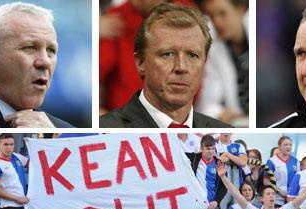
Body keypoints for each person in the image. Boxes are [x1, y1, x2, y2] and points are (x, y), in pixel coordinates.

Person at [99, 3, 231, 128]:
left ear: (204, 63)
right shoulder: (104, 130)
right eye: (168, 54)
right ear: (140, 62)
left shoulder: (224, 130)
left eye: (192, 55)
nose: (181, 67)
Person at [196, 0, 249, 125]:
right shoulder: (213, 45)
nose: (217, 22)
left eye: (222, 13)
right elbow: (207, 103)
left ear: (240, 10)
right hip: (238, 122)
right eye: (211, 15)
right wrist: (219, 112)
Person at [265, 136, 300, 207]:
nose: (288, 147)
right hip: (277, 200)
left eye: (290, 144)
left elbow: (298, 180)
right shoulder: (271, 161)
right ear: (279, 147)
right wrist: (279, 191)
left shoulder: (296, 161)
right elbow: (265, 181)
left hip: (292, 199)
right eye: (285, 145)